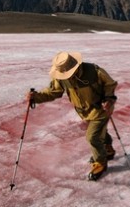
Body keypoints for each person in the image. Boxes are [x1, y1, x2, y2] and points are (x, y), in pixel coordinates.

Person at [26, 51, 118, 181]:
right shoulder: (62, 78)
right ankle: (107, 149)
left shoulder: (94, 71)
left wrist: (109, 98)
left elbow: (110, 84)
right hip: (84, 111)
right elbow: (53, 92)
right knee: (99, 132)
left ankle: (100, 163)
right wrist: (36, 97)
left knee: (92, 136)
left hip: (101, 108)